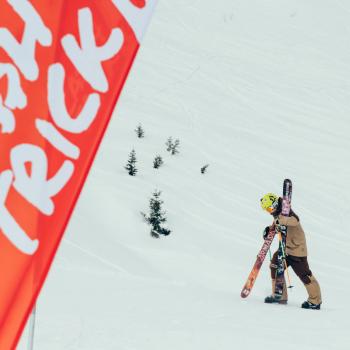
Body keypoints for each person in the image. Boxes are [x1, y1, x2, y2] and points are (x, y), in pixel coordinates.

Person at [260, 193, 322, 310]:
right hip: (285, 248)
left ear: (274, 204)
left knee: (305, 275)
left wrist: (282, 220)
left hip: (297, 249)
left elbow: (295, 221)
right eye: (266, 209)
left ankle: (315, 301)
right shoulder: (278, 213)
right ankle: (279, 295)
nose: (269, 211)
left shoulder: (286, 211)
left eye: (269, 208)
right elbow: (279, 224)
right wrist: (269, 230)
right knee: (275, 266)